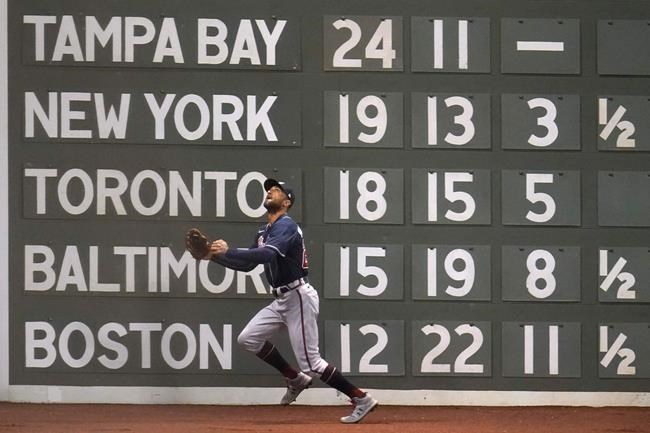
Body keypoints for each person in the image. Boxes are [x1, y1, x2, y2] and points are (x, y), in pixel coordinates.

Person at [204, 178, 378, 424]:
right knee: (248, 339)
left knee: (312, 363)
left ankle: (360, 398)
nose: (270, 191)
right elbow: (248, 264)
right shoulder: (264, 231)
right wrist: (212, 257)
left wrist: (228, 250)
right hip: (281, 298)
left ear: (286, 202)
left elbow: (266, 254)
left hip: (298, 296)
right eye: (269, 189)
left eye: (276, 190)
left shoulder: (286, 225)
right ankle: (294, 378)